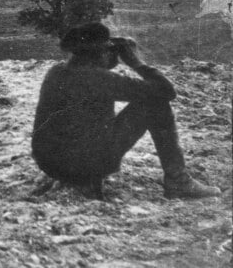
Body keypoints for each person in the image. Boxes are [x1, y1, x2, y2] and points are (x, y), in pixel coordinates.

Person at [31, 22, 221, 200]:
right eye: (108, 50)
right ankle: (178, 180)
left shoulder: (56, 71)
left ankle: (74, 178)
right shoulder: (99, 78)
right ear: (98, 53)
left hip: (50, 164)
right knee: (156, 105)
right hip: (84, 166)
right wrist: (136, 62)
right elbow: (166, 91)